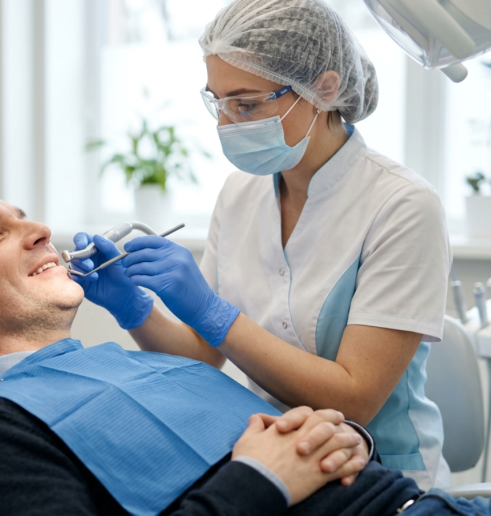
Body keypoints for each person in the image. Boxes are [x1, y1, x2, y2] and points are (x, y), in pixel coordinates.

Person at [0, 175, 480, 515]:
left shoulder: (133, 366)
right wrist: (258, 481)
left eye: (26, 216)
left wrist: (343, 439)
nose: (40, 231)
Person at [70, 0, 451, 490]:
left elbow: (354, 400)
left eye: (246, 104)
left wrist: (213, 313)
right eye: (218, 102)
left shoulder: (402, 205)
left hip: (381, 475)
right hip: (274, 463)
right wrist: (134, 308)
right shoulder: (240, 195)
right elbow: (202, 356)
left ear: (325, 89)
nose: (225, 125)